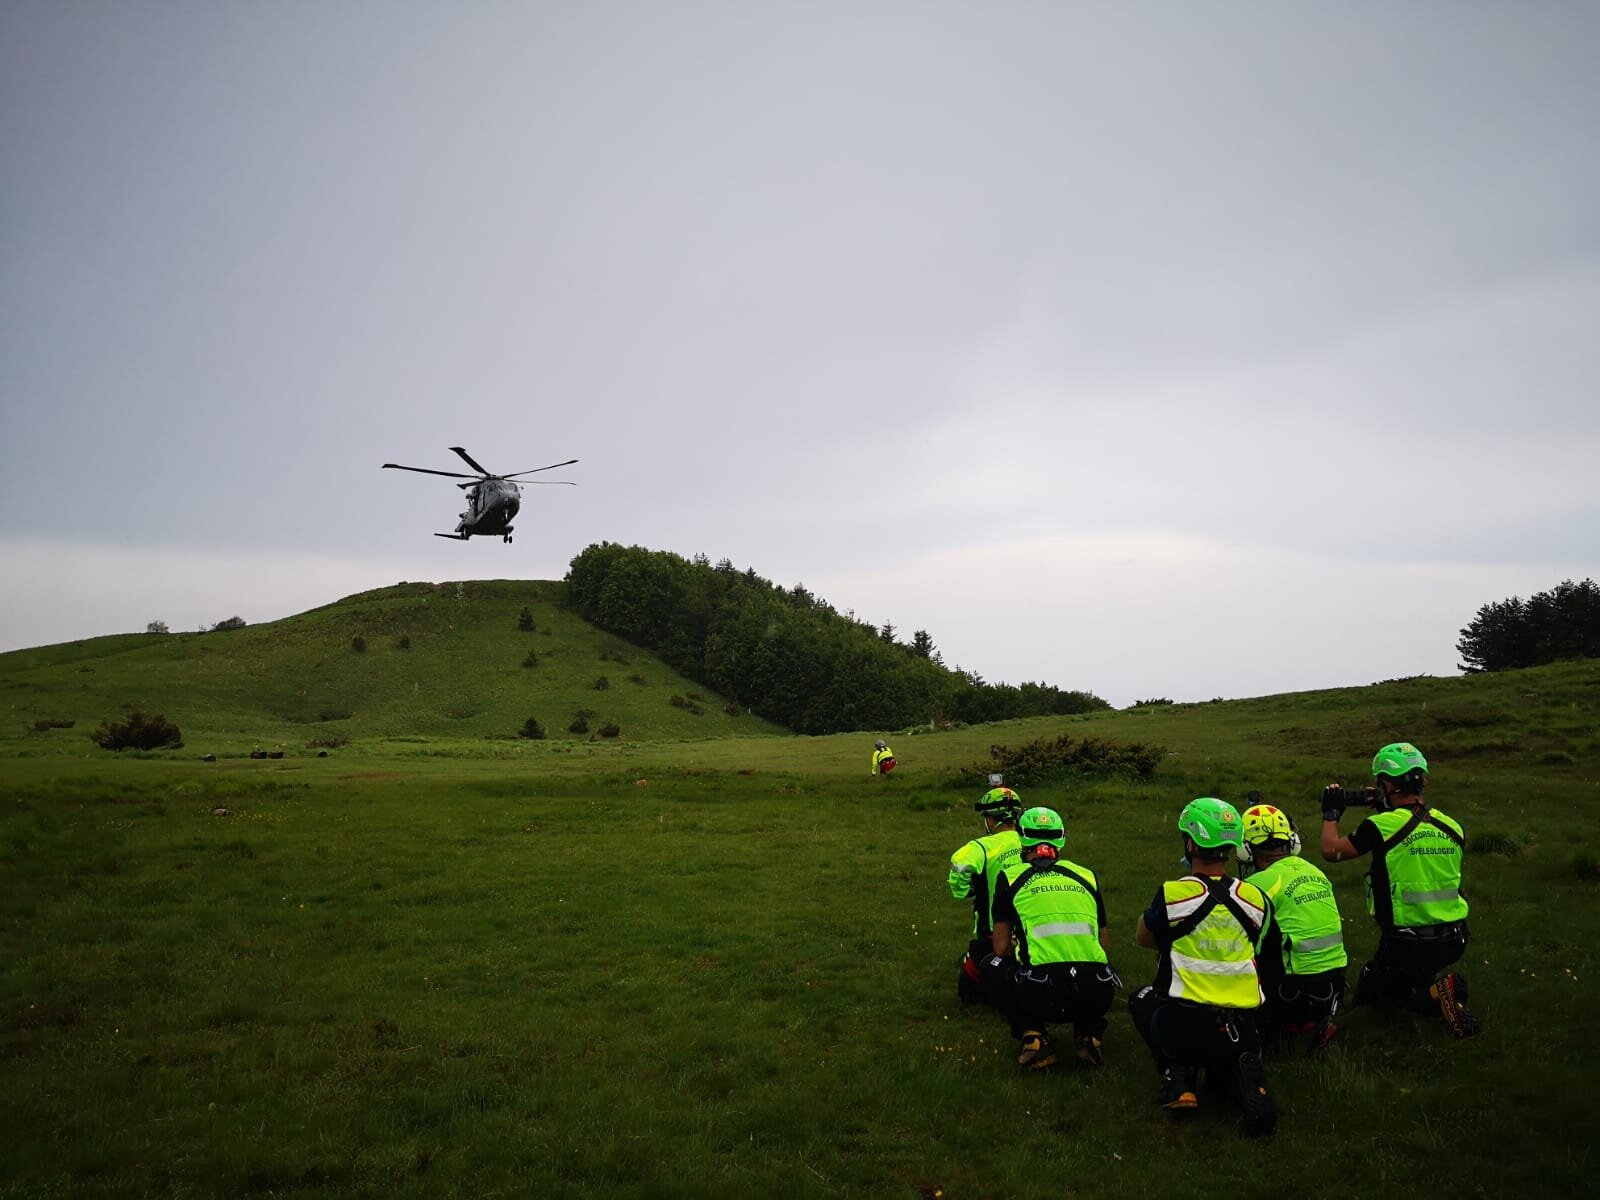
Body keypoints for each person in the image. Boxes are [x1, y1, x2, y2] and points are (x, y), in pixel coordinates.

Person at [1129, 797, 1276, 1135]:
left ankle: (1177, 1076)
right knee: (1227, 1062)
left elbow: (1143, 937)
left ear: (1191, 842)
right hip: (1243, 1025)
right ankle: (1242, 1074)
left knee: (1141, 1000)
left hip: (1184, 1024)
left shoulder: (1173, 894)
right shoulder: (1255, 897)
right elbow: (1261, 948)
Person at [1320, 742, 1478, 1038]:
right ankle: (1436, 991)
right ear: (1423, 781)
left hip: (1405, 943)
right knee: (1409, 977)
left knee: (1377, 997)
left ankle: (1434, 995)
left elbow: (1331, 850)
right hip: (1453, 938)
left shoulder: (1381, 826)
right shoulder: (1453, 826)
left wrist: (1331, 813)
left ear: (1388, 783)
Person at [988, 806, 1118, 1069]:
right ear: (1060, 839)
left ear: (1022, 839)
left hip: (1042, 991)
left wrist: (1019, 944)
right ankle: (1088, 1036)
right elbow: (1104, 945)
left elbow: (1000, 947)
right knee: (1092, 965)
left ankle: (1033, 1037)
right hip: (1097, 989)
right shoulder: (1085, 875)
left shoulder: (1010, 877)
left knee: (991, 964)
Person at [1238, 801, 1347, 1049]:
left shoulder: (1257, 885)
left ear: (1245, 849)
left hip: (1291, 994)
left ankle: (1281, 1028)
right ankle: (1307, 1027)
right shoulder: (1317, 873)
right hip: (1334, 988)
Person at [948, 786, 1023, 1006]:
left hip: (994, 934)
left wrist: (963, 890)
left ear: (991, 820)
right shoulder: (1032, 843)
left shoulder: (981, 847)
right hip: (1032, 932)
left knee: (970, 991)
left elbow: (960, 864)